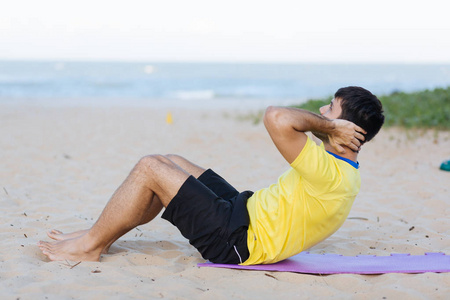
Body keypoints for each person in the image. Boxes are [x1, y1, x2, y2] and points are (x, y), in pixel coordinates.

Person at [38, 86, 385, 265]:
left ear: (346, 127)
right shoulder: (339, 169)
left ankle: (90, 246)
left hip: (237, 241)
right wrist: (331, 125)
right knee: (170, 160)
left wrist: (329, 126)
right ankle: (101, 233)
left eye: (331, 110)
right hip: (246, 211)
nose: (322, 113)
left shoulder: (329, 172)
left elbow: (275, 117)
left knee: (150, 167)